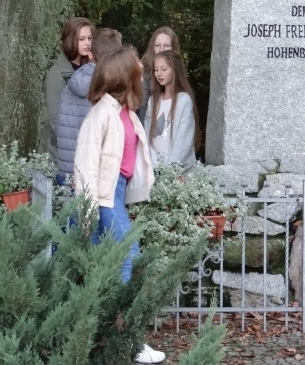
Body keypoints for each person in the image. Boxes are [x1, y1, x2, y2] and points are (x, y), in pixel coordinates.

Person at [73, 46, 165, 364]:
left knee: (107, 270)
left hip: (116, 195)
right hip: (104, 200)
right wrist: (87, 216)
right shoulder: (100, 114)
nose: (142, 69)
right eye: (137, 67)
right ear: (124, 75)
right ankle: (130, 341)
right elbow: (84, 169)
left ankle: (104, 339)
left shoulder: (123, 111)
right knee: (130, 258)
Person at [55, 28, 122, 182]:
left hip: (67, 170)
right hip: (91, 174)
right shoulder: (107, 87)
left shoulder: (75, 79)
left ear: (91, 54)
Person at [41, 17, 94, 160]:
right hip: (59, 153)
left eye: (89, 38)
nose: (87, 43)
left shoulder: (90, 68)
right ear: (71, 40)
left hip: (85, 150)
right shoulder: (57, 73)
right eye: (81, 39)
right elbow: (55, 120)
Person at [144, 49, 199, 167]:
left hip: (177, 171)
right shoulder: (153, 100)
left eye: (164, 69)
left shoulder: (183, 100)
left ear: (174, 70)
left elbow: (184, 140)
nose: (159, 74)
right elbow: (147, 134)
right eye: (156, 70)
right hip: (154, 169)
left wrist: (171, 170)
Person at [136, 26, 181, 123]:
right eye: (157, 45)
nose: (161, 49)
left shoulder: (178, 72)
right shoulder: (144, 73)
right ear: (152, 48)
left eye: (166, 45)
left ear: (174, 48)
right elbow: (142, 112)